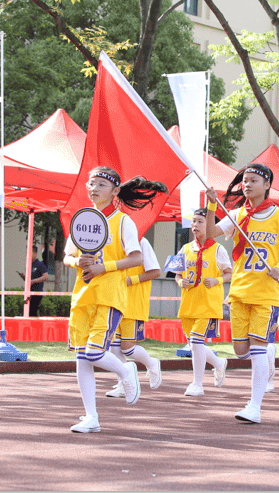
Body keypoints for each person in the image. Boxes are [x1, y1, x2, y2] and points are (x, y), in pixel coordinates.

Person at [63, 167, 167, 434]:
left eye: (100, 184)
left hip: (110, 296)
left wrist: (104, 267)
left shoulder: (123, 222)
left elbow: (136, 258)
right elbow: (67, 257)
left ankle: (125, 370)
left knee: (94, 352)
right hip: (83, 296)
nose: (93, 188)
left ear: (115, 191)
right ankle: (91, 416)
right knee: (82, 358)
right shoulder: (82, 218)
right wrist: (78, 261)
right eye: (91, 183)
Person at [205, 163, 279, 424]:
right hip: (239, 291)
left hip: (266, 293)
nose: (246, 185)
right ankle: (267, 357)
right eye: (244, 181)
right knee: (240, 351)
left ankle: (254, 406)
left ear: (267, 185)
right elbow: (210, 234)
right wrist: (212, 206)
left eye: (253, 181)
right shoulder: (236, 214)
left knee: (257, 350)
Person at [176, 208, 232, 397]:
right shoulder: (185, 249)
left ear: (209, 225)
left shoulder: (218, 249)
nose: (195, 225)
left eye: (200, 221)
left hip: (208, 304)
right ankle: (218, 363)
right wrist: (179, 281)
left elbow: (229, 273)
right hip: (188, 303)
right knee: (193, 344)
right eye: (194, 222)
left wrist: (217, 280)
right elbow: (177, 273)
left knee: (196, 340)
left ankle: (197, 383)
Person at [104, 236, 164, 399]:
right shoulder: (112, 241)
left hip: (134, 303)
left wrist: (132, 279)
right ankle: (124, 382)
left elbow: (156, 271)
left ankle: (151, 363)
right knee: (114, 347)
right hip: (115, 302)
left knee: (127, 348)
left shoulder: (141, 241)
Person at [17, 245, 49, 317]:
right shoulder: (29, 265)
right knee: (27, 312)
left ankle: (35, 327)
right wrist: (24, 278)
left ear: (35, 253)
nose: (27, 255)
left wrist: (33, 281)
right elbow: (29, 280)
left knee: (32, 311)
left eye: (29, 252)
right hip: (29, 292)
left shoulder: (40, 264)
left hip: (36, 293)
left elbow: (46, 277)